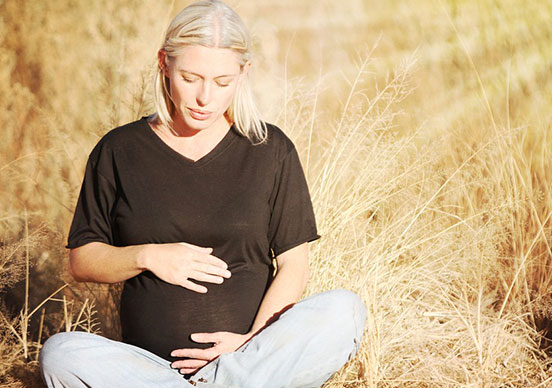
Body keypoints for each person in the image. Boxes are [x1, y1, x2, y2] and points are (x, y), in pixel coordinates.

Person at [39, 1, 366, 387]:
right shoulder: (119, 150)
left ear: (244, 73)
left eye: (222, 82)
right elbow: (83, 261)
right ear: (164, 63)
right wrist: (150, 255)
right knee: (61, 353)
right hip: (150, 371)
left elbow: (294, 264)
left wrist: (251, 343)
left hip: (250, 358)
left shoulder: (270, 149)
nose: (205, 98)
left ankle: (231, 380)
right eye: (191, 78)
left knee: (345, 310)